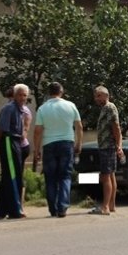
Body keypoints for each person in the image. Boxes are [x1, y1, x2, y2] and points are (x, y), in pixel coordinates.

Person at [33, 82, 83, 217]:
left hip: (49, 144)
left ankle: (53, 208)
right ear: (62, 92)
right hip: (67, 143)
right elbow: (79, 126)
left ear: (49, 93)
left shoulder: (42, 109)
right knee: (65, 176)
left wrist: (36, 150)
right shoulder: (70, 106)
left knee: (50, 177)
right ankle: (63, 207)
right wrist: (79, 144)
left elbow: (37, 131)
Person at [0, 84, 29, 219]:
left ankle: (0, 211)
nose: (22, 98)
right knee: (13, 175)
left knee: (10, 176)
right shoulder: (9, 108)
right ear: (14, 95)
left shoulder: (20, 109)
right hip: (8, 140)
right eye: (20, 94)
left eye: (25, 95)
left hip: (16, 142)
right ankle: (15, 210)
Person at [90, 86, 124, 216]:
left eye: (98, 96)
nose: (96, 99)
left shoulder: (109, 108)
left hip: (107, 147)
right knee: (111, 176)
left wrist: (119, 145)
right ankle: (112, 205)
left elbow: (116, 127)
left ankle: (105, 207)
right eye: (95, 96)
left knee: (105, 177)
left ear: (105, 95)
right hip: (107, 147)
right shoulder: (106, 108)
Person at [5, 87, 32, 213]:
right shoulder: (12, 108)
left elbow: (25, 130)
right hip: (17, 145)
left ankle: (19, 204)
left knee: (17, 176)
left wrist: (16, 143)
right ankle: (15, 204)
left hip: (20, 146)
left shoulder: (23, 110)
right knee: (14, 175)